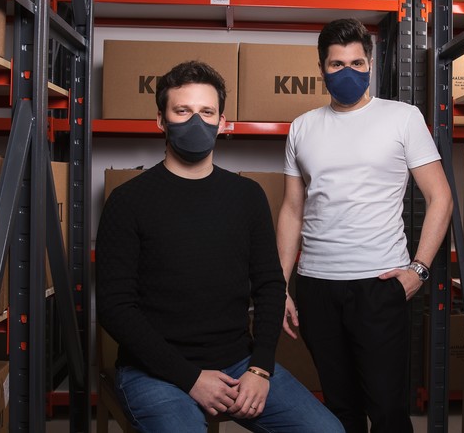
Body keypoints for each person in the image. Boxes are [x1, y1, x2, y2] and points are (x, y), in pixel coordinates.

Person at [96, 61, 344, 433]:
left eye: (207, 112)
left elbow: (270, 285)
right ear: (161, 120)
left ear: (222, 122)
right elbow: (115, 307)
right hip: (153, 371)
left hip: (239, 363)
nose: (196, 121)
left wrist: (260, 368)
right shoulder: (127, 201)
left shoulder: (247, 196)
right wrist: (190, 378)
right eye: (183, 111)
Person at [276, 18, 454, 433]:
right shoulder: (302, 127)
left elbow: (441, 197)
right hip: (316, 286)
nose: (348, 72)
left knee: (388, 411)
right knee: (341, 410)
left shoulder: (403, 118)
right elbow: (291, 210)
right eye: (337, 64)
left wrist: (419, 269)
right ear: (321, 69)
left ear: (370, 64)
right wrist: (279, 286)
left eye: (357, 63)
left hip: (379, 283)